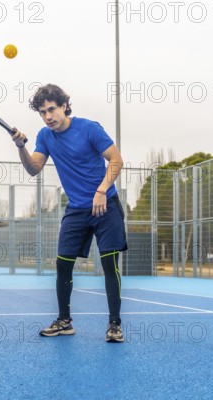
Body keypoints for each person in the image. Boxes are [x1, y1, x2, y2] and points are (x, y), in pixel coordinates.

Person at [11, 84, 127, 343]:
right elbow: (34, 169)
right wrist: (21, 147)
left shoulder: (89, 129)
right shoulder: (45, 135)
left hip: (104, 204)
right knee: (63, 264)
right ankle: (64, 321)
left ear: (64, 106)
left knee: (109, 263)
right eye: (42, 112)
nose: (48, 116)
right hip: (76, 209)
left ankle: (115, 325)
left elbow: (116, 160)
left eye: (51, 109)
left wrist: (101, 189)